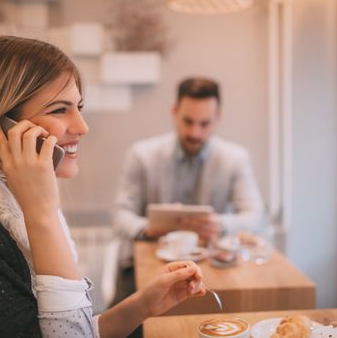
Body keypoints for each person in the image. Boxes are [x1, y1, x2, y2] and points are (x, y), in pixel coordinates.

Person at [0, 36, 206, 338]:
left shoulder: (10, 205)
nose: (82, 126)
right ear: (1, 127)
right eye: (60, 110)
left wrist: (141, 305)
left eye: (78, 107)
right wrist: (42, 212)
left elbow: (62, 331)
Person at [112, 77, 265, 300]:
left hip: (209, 266)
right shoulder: (141, 155)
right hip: (149, 262)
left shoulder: (235, 159)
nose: (195, 133)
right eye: (188, 121)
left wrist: (219, 225)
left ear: (218, 118)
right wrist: (148, 229)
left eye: (204, 124)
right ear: (174, 111)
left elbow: (256, 216)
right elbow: (119, 215)